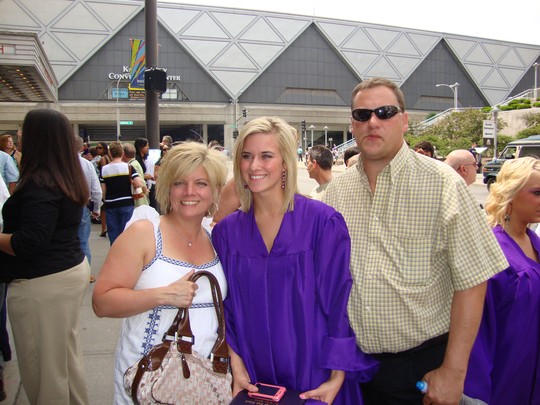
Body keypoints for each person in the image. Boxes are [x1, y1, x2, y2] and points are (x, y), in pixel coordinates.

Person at [323, 78, 508, 404]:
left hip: (421, 369)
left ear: (404, 120)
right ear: (352, 124)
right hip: (353, 369)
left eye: (385, 112)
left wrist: (454, 371)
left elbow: (473, 281)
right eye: (363, 114)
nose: (373, 122)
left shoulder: (443, 184)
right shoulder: (337, 192)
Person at [212, 116, 378, 405]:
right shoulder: (227, 233)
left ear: (285, 163)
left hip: (314, 370)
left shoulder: (321, 222)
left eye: (266, 156)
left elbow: (338, 302)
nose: (254, 166)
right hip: (254, 374)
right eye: (246, 156)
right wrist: (236, 367)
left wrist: (337, 374)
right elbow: (226, 310)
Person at [92, 142, 229, 405]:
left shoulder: (216, 239)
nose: (189, 192)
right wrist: (163, 295)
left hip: (205, 382)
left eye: (201, 183)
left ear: (215, 191)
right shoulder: (144, 233)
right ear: (167, 188)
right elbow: (102, 302)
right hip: (149, 381)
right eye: (179, 183)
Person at [0, 108, 90, 404]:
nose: (18, 136)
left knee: (44, 370)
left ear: (38, 137)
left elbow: (30, 242)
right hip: (65, 271)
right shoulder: (66, 175)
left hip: (42, 283)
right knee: (63, 358)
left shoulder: (40, 182)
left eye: (23, 130)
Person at [464, 157, 540, 405]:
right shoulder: (493, 251)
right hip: (505, 375)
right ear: (511, 194)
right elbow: (478, 332)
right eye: (537, 193)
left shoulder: (534, 242)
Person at [75, 136, 102, 282]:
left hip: (60, 206)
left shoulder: (58, 163)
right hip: (81, 205)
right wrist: (97, 207)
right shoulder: (86, 164)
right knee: (83, 241)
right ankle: (86, 273)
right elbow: (96, 189)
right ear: (81, 148)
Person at [100, 142, 136, 245]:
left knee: (113, 233)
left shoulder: (104, 169)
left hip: (111, 203)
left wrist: (104, 200)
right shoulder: (128, 167)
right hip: (126, 202)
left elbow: (103, 189)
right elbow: (138, 182)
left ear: (110, 153)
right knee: (126, 231)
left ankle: (115, 250)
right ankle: (126, 252)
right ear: (122, 153)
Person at [122, 143, 149, 207]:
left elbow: (140, 181)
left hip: (138, 199)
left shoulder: (132, 165)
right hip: (140, 198)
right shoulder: (135, 163)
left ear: (123, 154)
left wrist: (145, 191)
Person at [96, 141, 111, 237]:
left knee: (103, 208)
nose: (98, 150)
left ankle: (104, 228)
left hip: (103, 183)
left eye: (100, 148)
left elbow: (103, 171)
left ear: (104, 149)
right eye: (97, 148)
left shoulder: (103, 158)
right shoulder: (109, 157)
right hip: (110, 184)